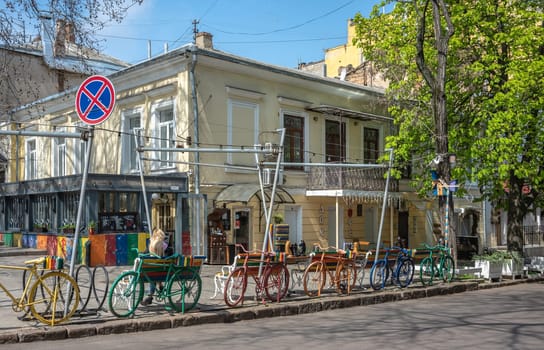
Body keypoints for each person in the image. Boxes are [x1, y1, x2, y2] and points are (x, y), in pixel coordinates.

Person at [141, 228, 167, 306]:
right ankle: (160, 285)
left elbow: (144, 254)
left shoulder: (150, 245)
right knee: (157, 271)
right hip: (164, 272)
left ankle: (150, 296)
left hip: (151, 273)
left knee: (152, 274)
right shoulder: (165, 246)